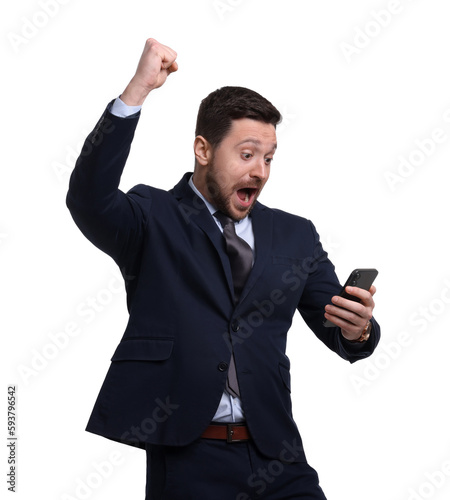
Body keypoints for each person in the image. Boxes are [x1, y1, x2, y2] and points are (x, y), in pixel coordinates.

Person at [67, 38, 380, 499]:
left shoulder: (296, 235)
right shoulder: (152, 216)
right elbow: (88, 198)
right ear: (203, 150)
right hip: (190, 460)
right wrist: (137, 91)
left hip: (279, 457)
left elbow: (338, 328)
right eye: (247, 154)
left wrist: (357, 330)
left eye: (269, 158)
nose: (260, 171)